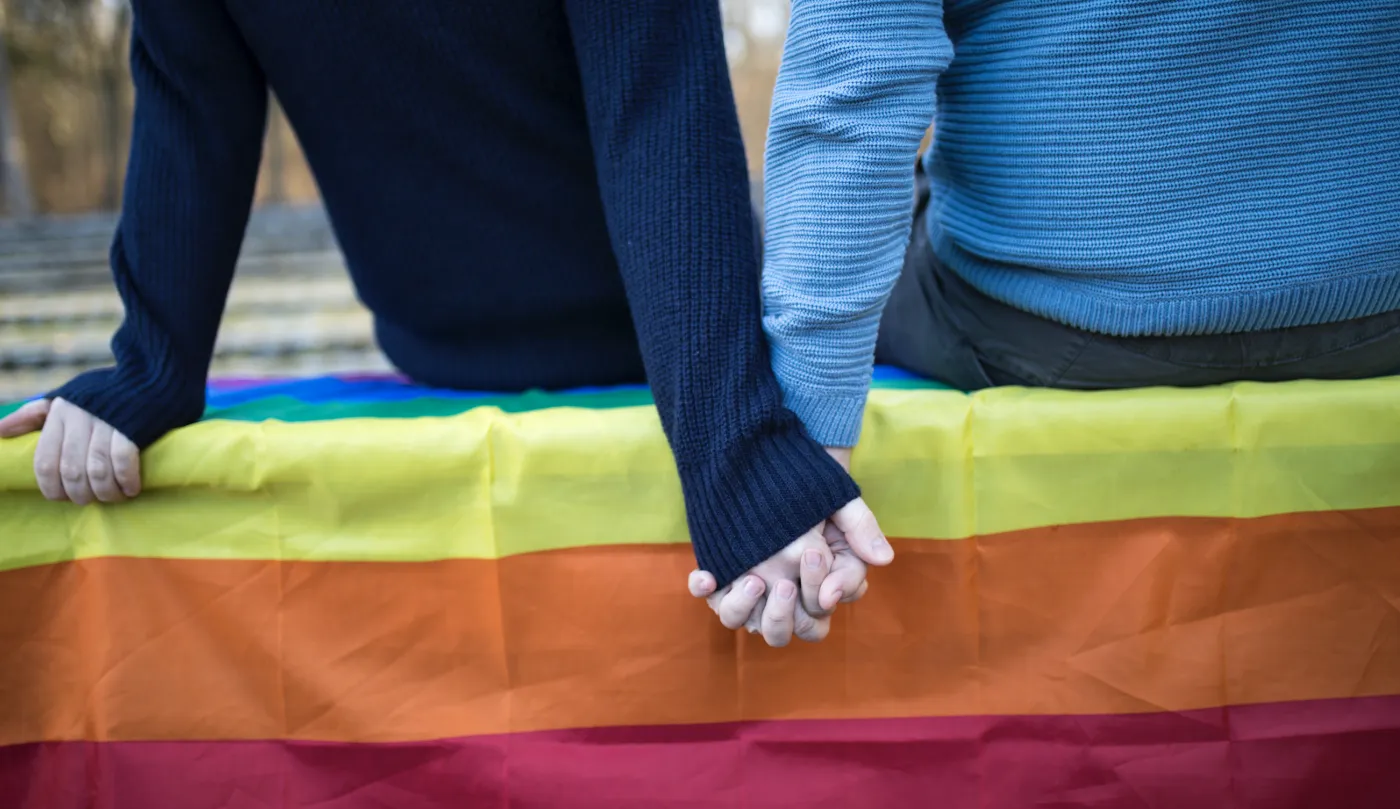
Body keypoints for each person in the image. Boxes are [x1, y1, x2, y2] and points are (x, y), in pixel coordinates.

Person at [0, 0, 896, 647]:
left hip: (645, 337)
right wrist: (148, 369)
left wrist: (734, 450)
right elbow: (192, 98)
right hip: (460, 341)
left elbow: (653, 97)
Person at [689, 0, 1400, 611]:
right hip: (1374, 305)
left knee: (763, 222)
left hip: (1042, 316)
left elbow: (857, 80)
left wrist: (803, 455)